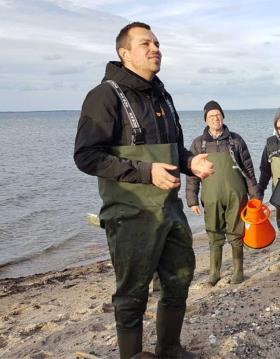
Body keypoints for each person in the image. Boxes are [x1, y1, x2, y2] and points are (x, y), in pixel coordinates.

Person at [74, 22, 214, 359]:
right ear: (124, 53)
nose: (155, 48)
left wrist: (190, 162)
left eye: (157, 42)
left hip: (170, 210)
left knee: (179, 280)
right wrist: (146, 171)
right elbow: (86, 155)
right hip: (129, 214)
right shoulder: (104, 96)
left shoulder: (163, 96)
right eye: (145, 43)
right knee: (132, 295)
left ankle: (169, 349)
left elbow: (174, 150)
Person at [186, 100, 260, 286]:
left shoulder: (236, 140)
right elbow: (192, 174)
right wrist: (192, 199)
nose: (215, 119)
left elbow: (248, 169)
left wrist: (256, 196)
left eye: (218, 115)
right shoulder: (198, 144)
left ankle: (238, 272)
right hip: (211, 197)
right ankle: (214, 273)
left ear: (223, 117)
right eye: (211, 116)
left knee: (236, 233)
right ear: (206, 120)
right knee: (214, 233)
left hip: (237, 195)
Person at [258, 109, 280, 230]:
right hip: (278, 194)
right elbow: (265, 171)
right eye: (279, 128)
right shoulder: (271, 145)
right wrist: (259, 193)